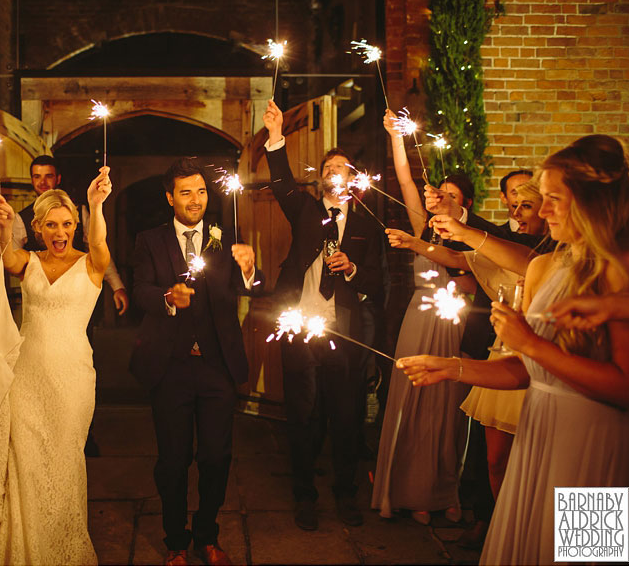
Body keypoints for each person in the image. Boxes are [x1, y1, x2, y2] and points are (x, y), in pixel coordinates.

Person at [398, 134, 629, 565]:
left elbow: (626, 388)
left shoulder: (619, 274)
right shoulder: (547, 265)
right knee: (531, 545)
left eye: (553, 200)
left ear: (592, 202)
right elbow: (526, 371)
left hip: (593, 441)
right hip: (541, 433)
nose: (542, 212)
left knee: (587, 554)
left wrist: (530, 343)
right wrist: (451, 368)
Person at [0, 167, 113, 565]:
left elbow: (99, 238)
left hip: (72, 379)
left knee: (66, 462)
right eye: (51, 224)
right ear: (37, 228)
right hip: (27, 377)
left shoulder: (92, 263)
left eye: (67, 224)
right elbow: (7, 256)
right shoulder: (28, 262)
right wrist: (3, 227)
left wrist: (96, 204)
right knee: (25, 465)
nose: (60, 231)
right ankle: (24, 551)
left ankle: (62, 549)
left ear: (75, 227)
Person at [129, 158, 262, 566]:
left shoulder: (225, 238)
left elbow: (251, 289)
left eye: (201, 191)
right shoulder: (150, 240)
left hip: (216, 365)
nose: (195, 200)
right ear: (170, 198)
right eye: (186, 192)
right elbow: (140, 291)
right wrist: (167, 298)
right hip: (170, 366)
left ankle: (207, 533)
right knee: (173, 459)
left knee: (217, 456)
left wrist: (250, 269)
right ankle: (174, 540)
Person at [263, 100, 385, 529]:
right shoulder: (307, 211)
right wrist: (276, 136)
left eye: (343, 167)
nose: (336, 171)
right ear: (321, 178)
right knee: (303, 413)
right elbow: (280, 185)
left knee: (346, 413)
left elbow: (378, 281)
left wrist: (352, 268)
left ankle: (346, 493)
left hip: (344, 331)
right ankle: (304, 495)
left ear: (353, 179)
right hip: (300, 327)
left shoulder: (368, 224)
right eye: (329, 166)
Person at [373, 109, 469, 525]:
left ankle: (445, 491)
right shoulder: (423, 225)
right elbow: (406, 178)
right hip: (419, 315)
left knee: (446, 408)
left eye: (449, 195)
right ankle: (409, 493)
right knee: (412, 399)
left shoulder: (475, 231)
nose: (438, 198)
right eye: (437, 193)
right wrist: (396, 137)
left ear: (464, 202)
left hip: (454, 321)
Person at [13, 154, 129, 316]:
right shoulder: (21, 218)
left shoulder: (80, 211)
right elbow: (11, 258)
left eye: (49, 176)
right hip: (41, 299)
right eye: (37, 176)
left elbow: (97, 247)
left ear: (58, 178)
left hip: (77, 295)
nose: (43, 182)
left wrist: (117, 286)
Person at [497, 169, 534, 234]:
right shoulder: (496, 236)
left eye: (529, 191)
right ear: (504, 197)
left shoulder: (552, 237)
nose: (523, 197)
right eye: (515, 193)